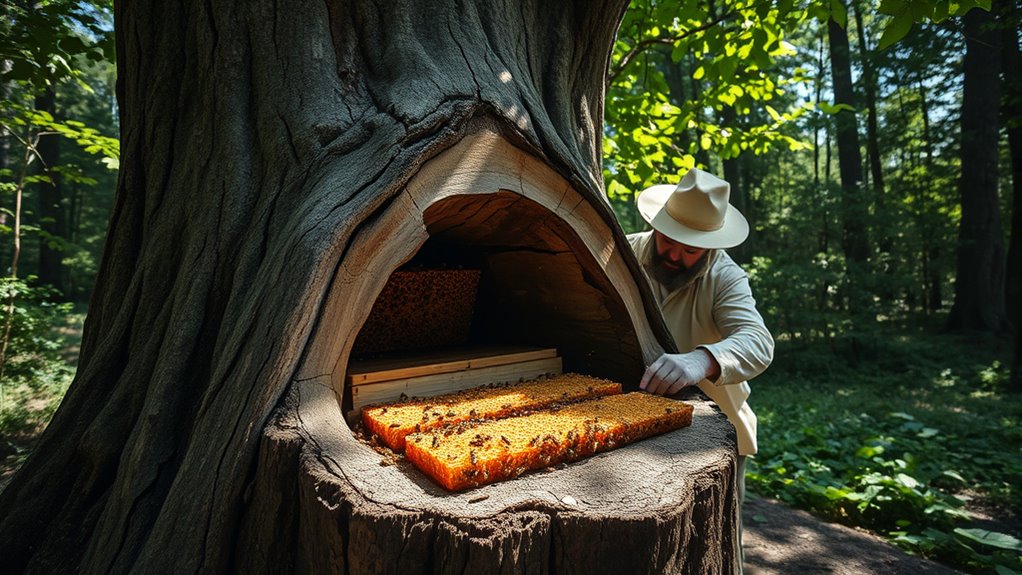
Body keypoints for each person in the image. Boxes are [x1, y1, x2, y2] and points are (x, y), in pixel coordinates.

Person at [627, 167, 774, 574]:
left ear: (709, 245)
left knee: (714, 544)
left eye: (690, 249)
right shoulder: (620, 254)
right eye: (668, 241)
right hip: (632, 420)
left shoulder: (726, 277)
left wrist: (701, 360)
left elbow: (758, 342)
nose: (675, 255)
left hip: (713, 435)